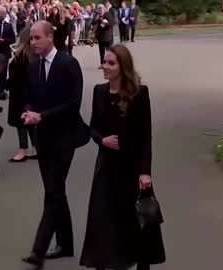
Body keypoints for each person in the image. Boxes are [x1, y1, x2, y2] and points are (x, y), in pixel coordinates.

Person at [80, 45, 165, 270]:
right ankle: (102, 263)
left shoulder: (139, 93)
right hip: (107, 166)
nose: (105, 67)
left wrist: (146, 171)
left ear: (122, 67)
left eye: (111, 63)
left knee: (136, 220)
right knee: (103, 219)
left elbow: (146, 135)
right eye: (104, 62)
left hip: (132, 166)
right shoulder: (99, 91)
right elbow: (93, 127)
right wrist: (102, 140)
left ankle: (141, 264)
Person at [21, 21, 89, 269]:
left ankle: (38, 251)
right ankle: (66, 243)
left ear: (50, 37)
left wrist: (43, 116)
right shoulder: (34, 67)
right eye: (31, 39)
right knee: (56, 191)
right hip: (43, 138)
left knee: (52, 192)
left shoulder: (68, 63)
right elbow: (30, 99)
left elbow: (73, 103)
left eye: (37, 37)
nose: (34, 42)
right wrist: (28, 112)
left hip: (66, 137)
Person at [6, 26, 37, 162]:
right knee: (30, 122)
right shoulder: (35, 55)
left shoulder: (21, 56)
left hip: (19, 94)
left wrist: (5, 86)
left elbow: (15, 78)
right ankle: (36, 147)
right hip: (31, 93)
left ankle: (22, 150)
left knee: (21, 123)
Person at [92, 4, 114, 68]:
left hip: (107, 36)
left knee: (108, 51)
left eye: (101, 8)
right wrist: (96, 19)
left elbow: (112, 23)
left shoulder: (107, 14)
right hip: (100, 36)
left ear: (104, 8)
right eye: (99, 8)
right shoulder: (97, 15)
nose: (100, 9)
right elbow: (93, 23)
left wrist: (105, 23)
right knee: (101, 51)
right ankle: (102, 64)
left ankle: (109, 64)